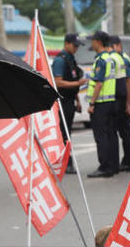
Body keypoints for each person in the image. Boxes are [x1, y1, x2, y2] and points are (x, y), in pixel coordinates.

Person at [52, 33, 88, 174]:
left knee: (68, 133)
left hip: (70, 100)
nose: (76, 48)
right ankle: (66, 163)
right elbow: (58, 81)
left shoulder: (71, 59)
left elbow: (73, 84)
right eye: (74, 45)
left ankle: (67, 161)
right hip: (62, 101)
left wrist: (78, 100)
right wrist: (78, 83)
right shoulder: (60, 60)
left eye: (78, 46)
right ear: (66, 43)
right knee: (64, 133)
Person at [86, 31, 118, 178]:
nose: (91, 43)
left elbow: (99, 83)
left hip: (101, 103)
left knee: (101, 136)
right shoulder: (110, 59)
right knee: (109, 134)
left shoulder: (101, 60)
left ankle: (104, 166)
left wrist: (92, 103)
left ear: (98, 42)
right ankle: (112, 166)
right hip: (110, 101)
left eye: (93, 40)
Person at [108, 36, 130, 172]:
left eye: (112, 47)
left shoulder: (122, 59)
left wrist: (128, 104)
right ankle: (128, 160)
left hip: (122, 99)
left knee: (123, 131)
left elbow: (129, 82)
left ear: (118, 46)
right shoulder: (123, 58)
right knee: (124, 131)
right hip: (123, 99)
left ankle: (128, 161)